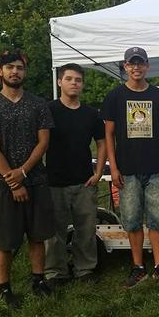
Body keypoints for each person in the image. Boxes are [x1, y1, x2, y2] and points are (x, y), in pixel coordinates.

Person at [0, 50, 55, 308]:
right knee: (6, 242)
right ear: (0, 71)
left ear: (25, 72)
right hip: (4, 186)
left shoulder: (38, 104)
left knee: (37, 236)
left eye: (19, 67)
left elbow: (43, 142)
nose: (15, 71)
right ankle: (5, 288)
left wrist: (23, 173)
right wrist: (14, 182)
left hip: (37, 181)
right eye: (9, 67)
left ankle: (38, 280)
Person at [101, 47, 159, 288]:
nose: (136, 67)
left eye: (140, 63)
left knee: (157, 219)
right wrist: (113, 167)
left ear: (147, 66)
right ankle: (138, 266)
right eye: (131, 63)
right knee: (131, 221)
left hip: (155, 169)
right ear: (125, 67)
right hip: (127, 170)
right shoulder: (114, 97)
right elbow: (109, 134)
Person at [44, 63, 106, 285]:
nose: (74, 83)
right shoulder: (48, 110)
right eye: (69, 79)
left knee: (86, 229)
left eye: (78, 80)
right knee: (54, 231)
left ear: (82, 85)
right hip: (54, 181)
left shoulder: (91, 114)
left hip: (84, 181)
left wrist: (98, 171)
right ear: (60, 82)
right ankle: (55, 272)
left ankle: (85, 269)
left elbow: (102, 143)